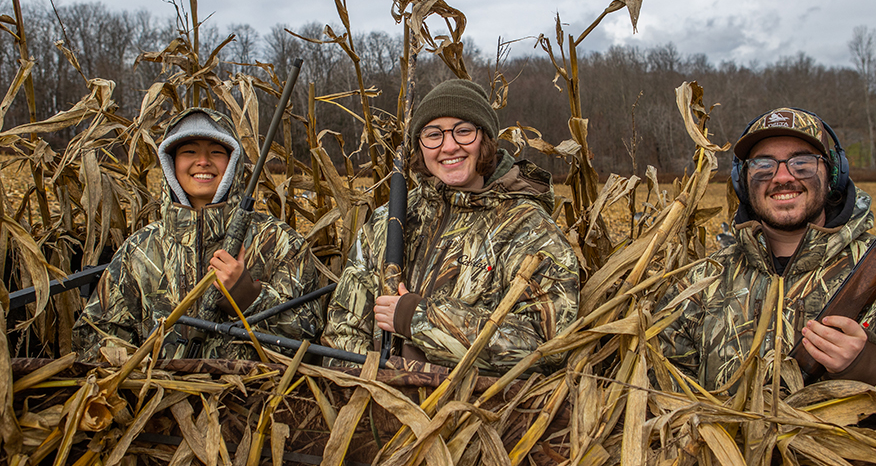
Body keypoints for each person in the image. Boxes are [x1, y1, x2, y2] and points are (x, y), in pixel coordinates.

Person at [659, 107, 876, 390]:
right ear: (742, 181)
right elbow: (658, 400)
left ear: (833, 174)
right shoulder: (697, 287)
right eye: (763, 165)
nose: (782, 177)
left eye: (802, 163)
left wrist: (875, 368)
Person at [322, 79, 579, 374]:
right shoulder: (387, 221)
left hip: (473, 411)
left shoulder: (530, 230)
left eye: (463, 131)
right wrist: (369, 384)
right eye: (433, 134)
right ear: (420, 145)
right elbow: (342, 330)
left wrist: (419, 319)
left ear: (485, 139)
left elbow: (549, 346)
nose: (449, 146)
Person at [73, 107, 321, 361]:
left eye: (216, 151)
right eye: (189, 151)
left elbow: (310, 340)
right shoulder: (139, 249)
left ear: (233, 162)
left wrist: (250, 299)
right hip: (156, 394)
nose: (203, 161)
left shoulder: (279, 241)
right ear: (170, 163)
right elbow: (95, 337)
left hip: (256, 397)